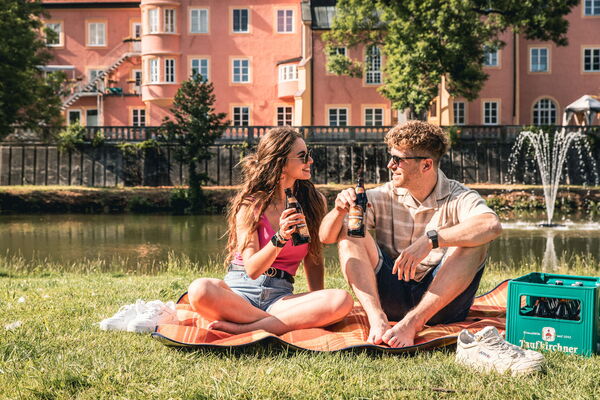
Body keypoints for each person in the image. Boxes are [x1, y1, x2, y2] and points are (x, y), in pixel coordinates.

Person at [319, 120, 502, 348]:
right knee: (350, 232)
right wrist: (338, 211)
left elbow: (491, 224)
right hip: (391, 296)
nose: (389, 165)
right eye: (391, 157)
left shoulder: (459, 196)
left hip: (442, 306)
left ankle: (413, 323)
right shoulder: (383, 195)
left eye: (397, 160)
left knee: (475, 241)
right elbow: (326, 237)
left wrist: (431, 239)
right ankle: (377, 320)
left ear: (426, 165)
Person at [187, 127, 353, 335]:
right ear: (280, 162)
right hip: (239, 295)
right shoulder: (250, 205)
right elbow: (252, 269)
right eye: (302, 156)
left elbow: (314, 259)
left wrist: (318, 303)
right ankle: (270, 325)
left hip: (280, 297)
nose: (310, 161)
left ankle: (248, 328)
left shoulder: (313, 201)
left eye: (309, 155)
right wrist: (280, 238)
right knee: (199, 290)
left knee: (340, 300)